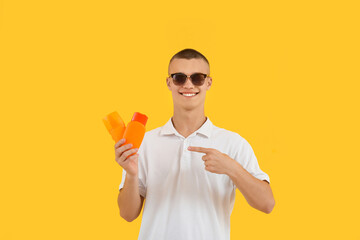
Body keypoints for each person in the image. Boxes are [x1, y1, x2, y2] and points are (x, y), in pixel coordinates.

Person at [116, 48, 275, 240]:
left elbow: (267, 204)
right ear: (169, 82)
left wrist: (232, 168)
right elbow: (127, 214)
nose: (188, 84)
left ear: (209, 82)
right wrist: (132, 175)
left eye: (197, 78)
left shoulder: (233, 143)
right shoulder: (145, 142)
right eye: (179, 77)